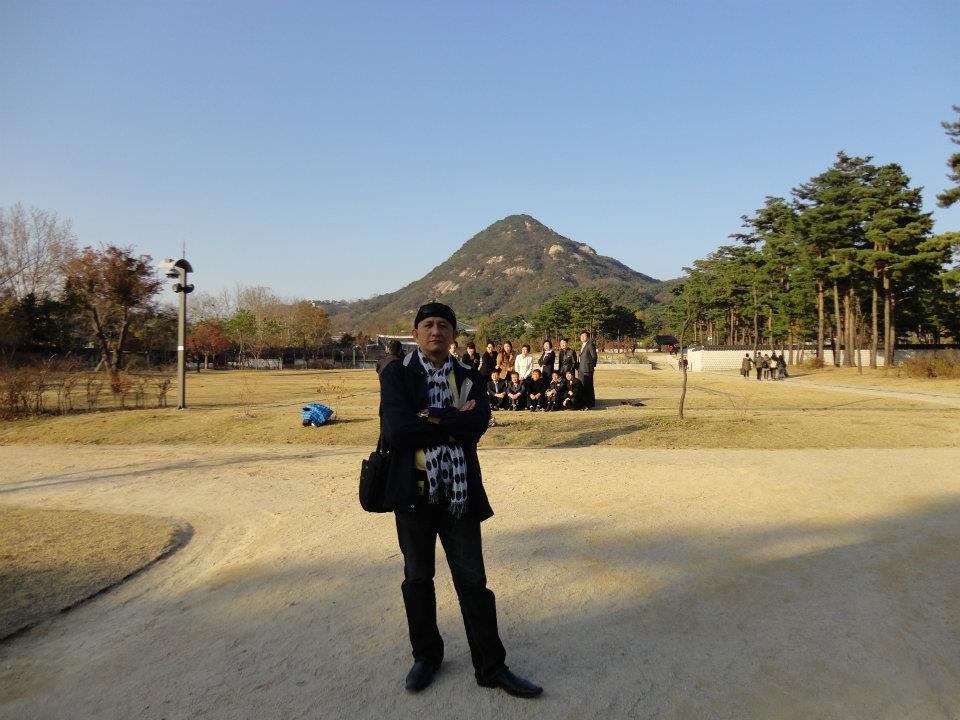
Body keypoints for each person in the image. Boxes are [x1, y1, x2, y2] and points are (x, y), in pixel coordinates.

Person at [377, 302, 542, 698]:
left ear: (453, 335)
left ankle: (491, 666)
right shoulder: (397, 373)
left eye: (444, 326)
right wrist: (449, 422)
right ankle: (426, 656)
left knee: (473, 581)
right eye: (428, 325)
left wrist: (429, 418)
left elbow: (476, 425)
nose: (436, 331)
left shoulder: (469, 374)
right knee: (418, 577)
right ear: (415, 333)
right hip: (414, 491)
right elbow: (398, 430)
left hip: (459, 493)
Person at [578, 331, 597, 409]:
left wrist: (590, 367)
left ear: (588, 337)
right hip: (581, 369)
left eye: (584, 336)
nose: (582, 337)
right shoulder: (583, 345)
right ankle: (586, 402)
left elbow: (594, 357)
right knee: (583, 386)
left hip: (587, 369)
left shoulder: (590, 345)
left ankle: (590, 403)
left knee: (588, 386)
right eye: (581, 336)